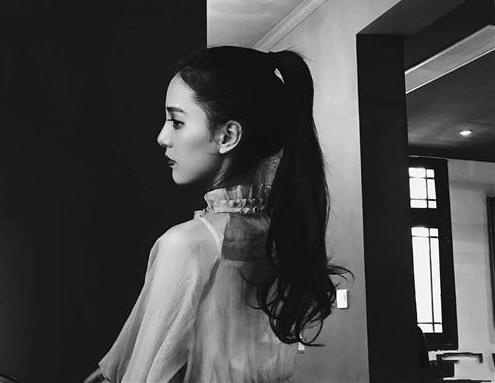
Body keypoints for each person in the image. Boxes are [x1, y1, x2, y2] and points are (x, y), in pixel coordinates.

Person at [84, 46, 349, 383]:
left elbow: (145, 373)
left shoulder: (188, 245)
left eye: (177, 122)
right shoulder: (279, 233)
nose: (162, 137)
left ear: (227, 136)